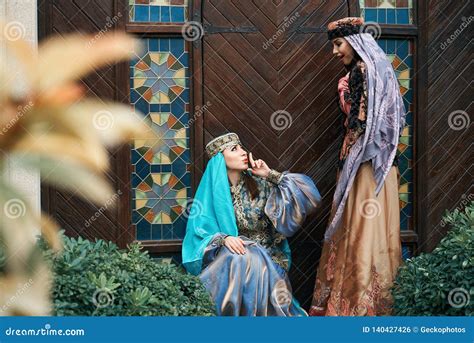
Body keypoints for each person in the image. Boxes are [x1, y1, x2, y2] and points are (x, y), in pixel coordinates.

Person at [309, 17, 407, 316]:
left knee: (359, 230)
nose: (335, 52)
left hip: (363, 166)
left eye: (338, 44)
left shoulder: (361, 72)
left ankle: (356, 308)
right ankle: (378, 303)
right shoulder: (376, 70)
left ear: (354, 42)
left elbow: (362, 125)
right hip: (381, 166)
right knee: (377, 231)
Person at [182, 132, 321, 316]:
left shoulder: (261, 185)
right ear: (219, 160)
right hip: (233, 261)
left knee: (245, 256)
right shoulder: (212, 195)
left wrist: (270, 175)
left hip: (268, 261)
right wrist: (224, 239)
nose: (243, 152)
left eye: (241, 147)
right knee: (238, 256)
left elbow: (311, 198)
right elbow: (198, 236)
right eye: (234, 149)